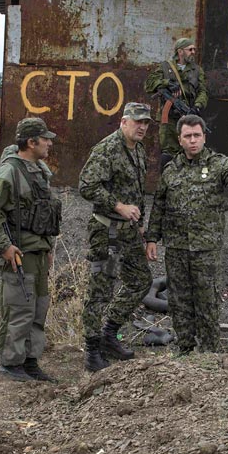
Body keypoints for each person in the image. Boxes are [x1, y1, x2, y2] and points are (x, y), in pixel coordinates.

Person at [145, 115, 228, 355]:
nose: (193, 140)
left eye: (197, 135)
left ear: (204, 137)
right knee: (179, 300)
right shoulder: (171, 169)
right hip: (176, 248)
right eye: (188, 136)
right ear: (180, 140)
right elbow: (159, 204)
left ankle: (209, 353)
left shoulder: (218, 164)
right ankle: (185, 349)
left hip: (206, 249)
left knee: (207, 301)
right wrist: (152, 238)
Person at [0, 118, 61, 382]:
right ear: (31, 142)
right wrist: (4, 247)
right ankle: (11, 362)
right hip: (18, 252)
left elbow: (45, 214)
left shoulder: (39, 171)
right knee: (18, 308)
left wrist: (48, 248)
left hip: (38, 252)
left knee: (38, 308)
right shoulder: (9, 172)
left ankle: (30, 360)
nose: (49, 143)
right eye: (45, 138)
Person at [79, 102, 154, 372]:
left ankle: (109, 333)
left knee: (141, 281)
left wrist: (141, 226)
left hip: (129, 231)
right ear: (123, 122)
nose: (142, 127)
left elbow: (137, 191)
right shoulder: (107, 149)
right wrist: (118, 206)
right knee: (100, 291)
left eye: (145, 123)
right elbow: (86, 185)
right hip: (107, 230)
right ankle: (92, 351)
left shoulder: (139, 150)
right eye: (137, 121)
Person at [144, 38, 208, 171]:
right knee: (168, 153)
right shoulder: (165, 67)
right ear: (180, 51)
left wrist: (197, 106)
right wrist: (166, 83)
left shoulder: (197, 70)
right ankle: (166, 180)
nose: (193, 52)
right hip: (169, 119)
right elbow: (149, 84)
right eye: (190, 49)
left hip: (188, 116)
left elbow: (203, 91)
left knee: (190, 151)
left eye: (194, 49)